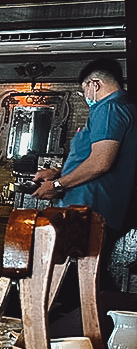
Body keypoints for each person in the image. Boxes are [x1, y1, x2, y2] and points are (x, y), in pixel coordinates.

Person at [33, 58, 137, 263]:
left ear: (95, 84)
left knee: (70, 275)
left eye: (84, 91)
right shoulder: (124, 106)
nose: (85, 98)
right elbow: (93, 157)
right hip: (97, 208)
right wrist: (59, 172)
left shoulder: (108, 109)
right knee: (86, 276)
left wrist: (56, 184)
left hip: (88, 209)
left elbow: (100, 163)